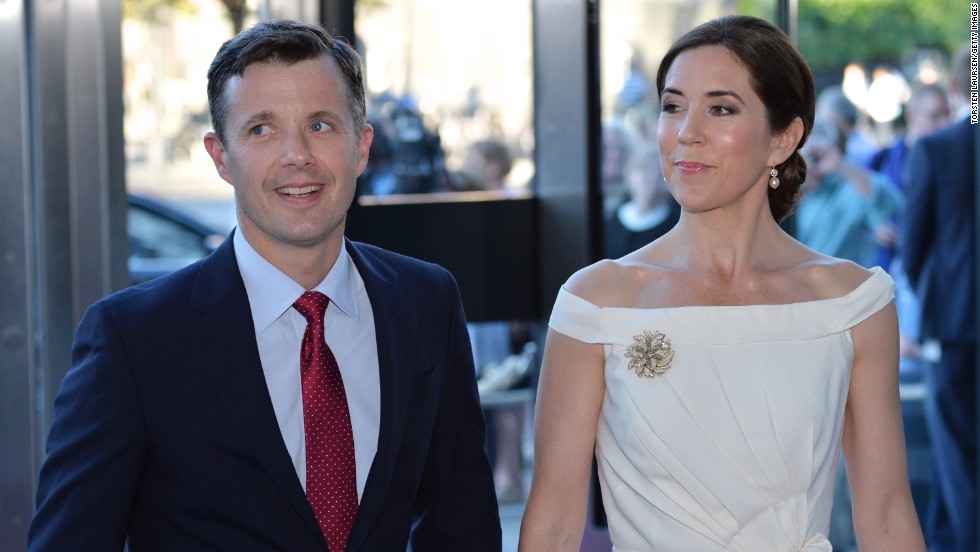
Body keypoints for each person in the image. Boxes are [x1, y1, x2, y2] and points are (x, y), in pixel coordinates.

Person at [29, 19, 501, 551]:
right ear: (220, 156)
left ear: (362, 146)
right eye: (262, 129)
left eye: (321, 125)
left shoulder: (425, 302)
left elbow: (463, 526)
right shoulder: (133, 338)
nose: (296, 155)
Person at [519, 15, 924, 551]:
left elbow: (889, 517)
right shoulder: (597, 301)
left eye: (721, 108)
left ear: (784, 139)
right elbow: (551, 524)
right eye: (672, 105)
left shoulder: (851, 303)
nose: (687, 131)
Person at [901, 43, 977, 552]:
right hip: (953, 326)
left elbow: (911, 249)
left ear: (956, 88)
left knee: (959, 458)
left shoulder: (937, 149)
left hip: (953, 327)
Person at [796, 117, 903, 269]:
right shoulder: (788, 193)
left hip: (846, 287)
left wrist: (841, 165)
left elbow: (890, 201)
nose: (810, 162)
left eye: (816, 155)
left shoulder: (851, 186)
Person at [603, 142, 681, 259]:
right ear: (630, 174)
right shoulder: (613, 218)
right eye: (644, 169)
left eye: (659, 172)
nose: (652, 177)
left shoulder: (676, 223)